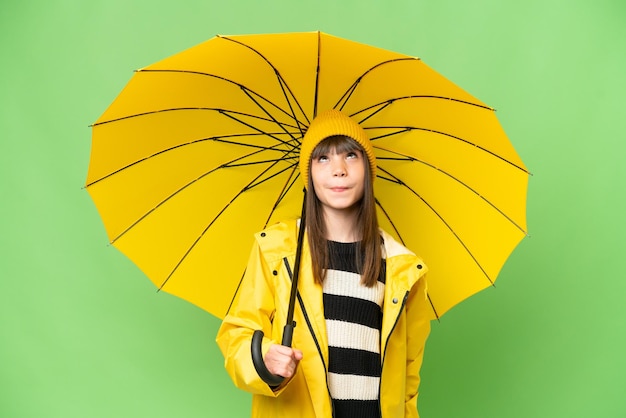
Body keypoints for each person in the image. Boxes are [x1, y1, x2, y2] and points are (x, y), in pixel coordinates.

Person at [216, 109, 432, 418]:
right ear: (309, 174)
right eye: (323, 159)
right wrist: (264, 357)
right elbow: (236, 335)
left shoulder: (402, 268)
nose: (339, 170)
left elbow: (409, 377)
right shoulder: (277, 250)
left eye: (351, 156)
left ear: (369, 169)